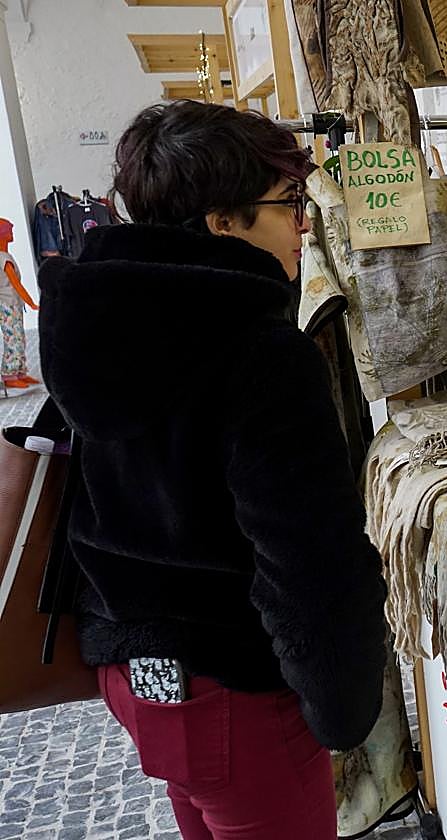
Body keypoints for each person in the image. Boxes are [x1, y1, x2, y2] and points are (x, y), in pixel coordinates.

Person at [37, 101, 387, 840]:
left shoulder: (104, 321)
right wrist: (344, 706)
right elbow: (308, 559)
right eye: (289, 203)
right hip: (235, 689)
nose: (303, 226)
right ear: (223, 222)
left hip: (136, 676)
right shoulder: (259, 352)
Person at [0, 218, 40, 389]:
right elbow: (16, 284)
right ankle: (9, 374)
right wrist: (31, 303)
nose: (12, 233)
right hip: (7, 304)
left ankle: (19, 372)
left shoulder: (6, 256)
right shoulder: (3, 258)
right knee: (13, 338)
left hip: (13, 303)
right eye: (9, 230)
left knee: (19, 337)